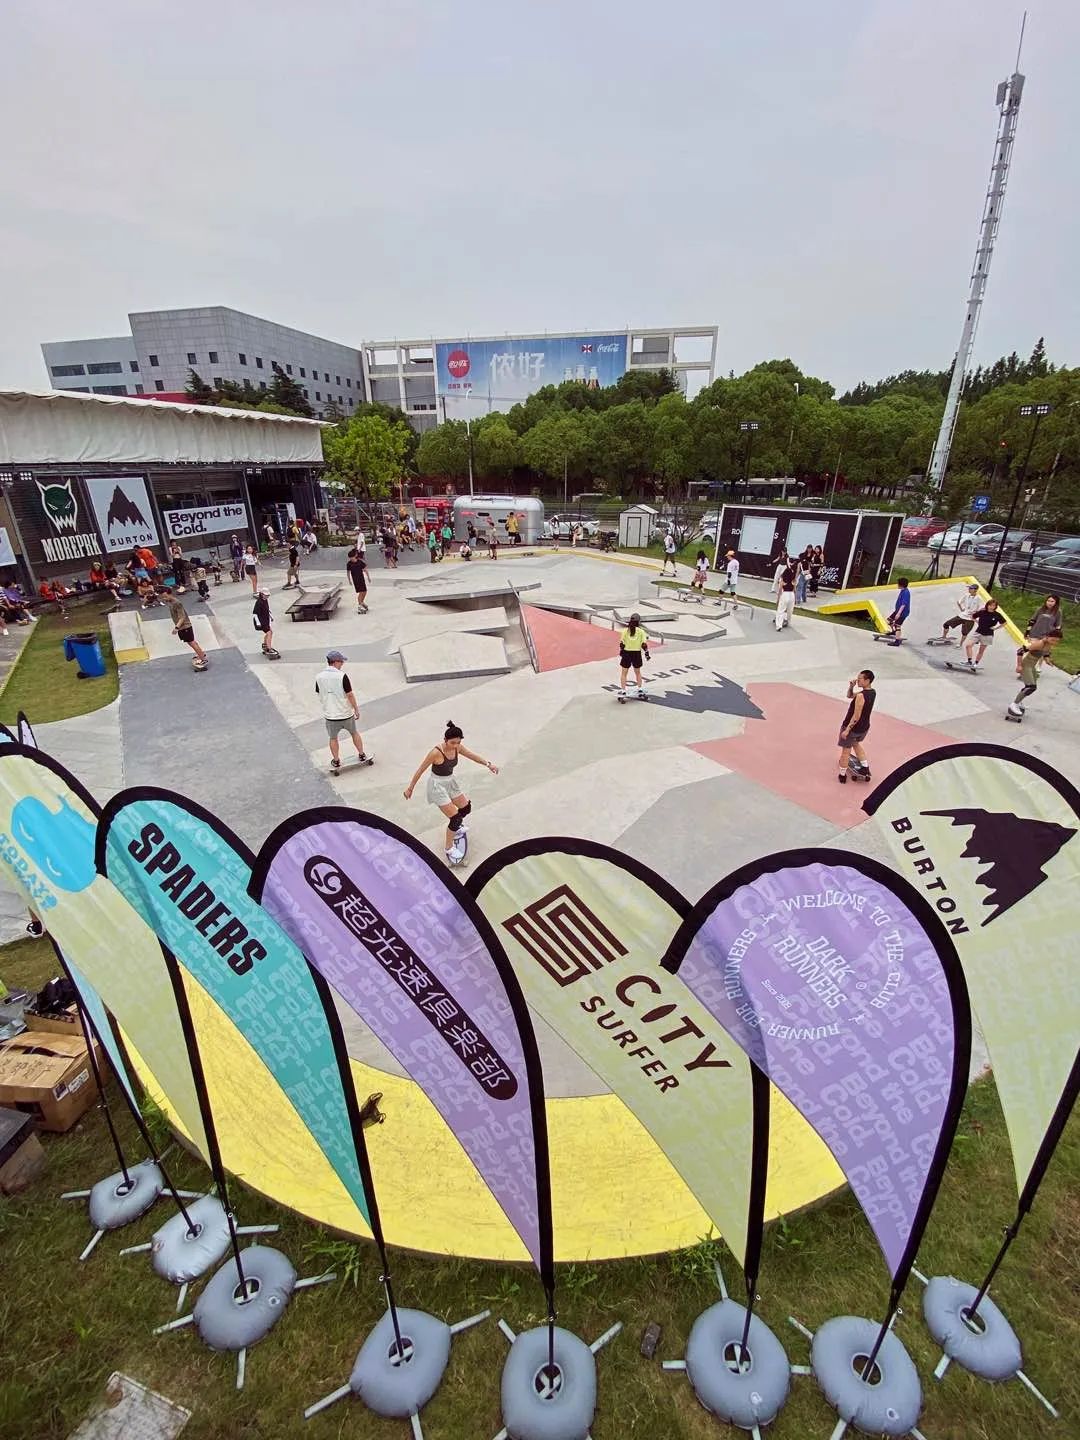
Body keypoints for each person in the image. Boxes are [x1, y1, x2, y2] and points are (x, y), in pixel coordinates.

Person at [403, 719, 498, 864]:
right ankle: (448, 847)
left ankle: (455, 828)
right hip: (437, 785)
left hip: (450, 781)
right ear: (445, 740)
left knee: (465, 808)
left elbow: (472, 756)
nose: (455, 745)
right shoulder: (436, 752)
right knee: (455, 819)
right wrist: (410, 788)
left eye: (458, 742)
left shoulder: (458, 748)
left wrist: (488, 764)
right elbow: (420, 770)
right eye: (452, 743)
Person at [316, 650, 373, 771]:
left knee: (333, 738)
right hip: (346, 714)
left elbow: (319, 693)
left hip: (330, 716)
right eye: (341, 661)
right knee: (354, 733)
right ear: (335, 662)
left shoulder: (319, 677)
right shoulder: (342, 676)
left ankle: (336, 761)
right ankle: (362, 754)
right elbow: (350, 695)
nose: (342, 664)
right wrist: (356, 709)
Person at [837, 670, 875, 783]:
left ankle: (842, 775)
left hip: (852, 728)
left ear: (867, 680)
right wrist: (851, 687)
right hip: (864, 728)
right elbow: (849, 696)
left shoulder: (860, 696)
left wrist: (847, 730)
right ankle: (865, 767)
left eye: (860, 679)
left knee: (846, 751)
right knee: (856, 744)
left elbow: (856, 716)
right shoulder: (872, 692)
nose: (857, 680)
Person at [1016, 594, 1063, 677]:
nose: (1050, 603)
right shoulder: (1040, 609)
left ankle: (1037, 667)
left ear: (1056, 603)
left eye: (1052, 601)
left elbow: (1058, 625)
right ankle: (1024, 668)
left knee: (1041, 652)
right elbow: (1032, 621)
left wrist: (1055, 636)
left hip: (1047, 635)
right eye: (1048, 601)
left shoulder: (1058, 612)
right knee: (1031, 651)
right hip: (1035, 633)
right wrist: (1027, 632)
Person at [964, 597, 1006, 670]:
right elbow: (973, 616)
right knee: (968, 645)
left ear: (995, 607)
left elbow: (1004, 623)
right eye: (990, 605)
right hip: (978, 632)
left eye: (993, 605)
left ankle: (976, 663)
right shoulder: (982, 612)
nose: (991, 607)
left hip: (988, 634)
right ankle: (969, 661)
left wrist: (995, 628)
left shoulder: (997, 615)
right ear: (987, 605)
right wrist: (977, 621)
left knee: (981, 650)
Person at [617, 613, 651, 701]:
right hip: (636, 654)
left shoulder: (625, 631)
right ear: (638, 622)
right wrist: (647, 653)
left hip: (626, 653)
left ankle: (623, 690)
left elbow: (621, 644)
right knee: (638, 672)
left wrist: (621, 651)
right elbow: (644, 645)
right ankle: (640, 688)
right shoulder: (641, 632)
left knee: (624, 673)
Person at [168, 592, 208, 669]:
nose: (164, 599)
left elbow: (182, 617)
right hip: (182, 627)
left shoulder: (177, 603)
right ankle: (201, 654)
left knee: (191, 642)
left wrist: (176, 628)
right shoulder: (171, 602)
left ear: (169, 594)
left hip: (185, 626)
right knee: (191, 642)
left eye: (165, 596)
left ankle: (203, 659)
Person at [253, 588, 278, 658]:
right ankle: (269, 648)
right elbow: (255, 614)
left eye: (268, 595)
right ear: (261, 594)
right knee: (269, 633)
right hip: (261, 621)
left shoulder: (265, 600)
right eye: (266, 595)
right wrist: (258, 623)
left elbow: (267, 610)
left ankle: (265, 645)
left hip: (266, 620)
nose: (267, 597)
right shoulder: (259, 602)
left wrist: (271, 616)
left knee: (270, 632)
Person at [884, 576, 911, 644]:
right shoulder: (902, 590)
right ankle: (894, 632)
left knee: (897, 625)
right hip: (897, 611)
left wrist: (898, 614)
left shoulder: (906, 593)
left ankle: (897, 641)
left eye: (898, 583)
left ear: (901, 585)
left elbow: (903, 604)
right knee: (889, 620)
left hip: (903, 613)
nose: (897, 585)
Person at [774, 559, 796, 630]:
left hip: (785, 594)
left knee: (781, 610)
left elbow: (780, 590)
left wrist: (778, 599)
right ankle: (788, 622)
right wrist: (795, 599)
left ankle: (779, 625)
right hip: (791, 595)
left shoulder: (783, 581)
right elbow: (794, 590)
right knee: (790, 611)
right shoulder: (793, 581)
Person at [346, 546, 369, 613]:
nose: (351, 559)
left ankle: (362, 602)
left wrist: (368, 577)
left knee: (364, 591)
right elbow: (348, 572)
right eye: (350, 558)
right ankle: (360, 606)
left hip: (361, 578)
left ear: (355, 556)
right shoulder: (349, 564)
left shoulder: (359, 562)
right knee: (361, 592)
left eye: (352, 557)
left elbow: (365, 569)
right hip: (356, 580)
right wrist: (349, 580)